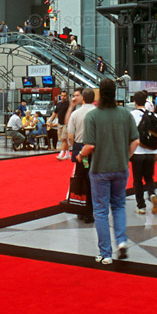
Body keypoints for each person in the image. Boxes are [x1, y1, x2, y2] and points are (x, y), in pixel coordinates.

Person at [78, 79, 139, 264]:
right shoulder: (125, 114)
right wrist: (126, 157)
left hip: (100, 169)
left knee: (101, 210)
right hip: (121, 168)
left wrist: (80, 155)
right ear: (115, 93)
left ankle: (105, 253)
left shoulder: (93, 116)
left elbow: (90, 145)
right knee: (119, 205)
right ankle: (121, 241)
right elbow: (135, 141)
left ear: (99, 94)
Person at [67, 88, 96, 221]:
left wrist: (75, 148)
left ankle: (81, 208)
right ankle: (92, 209)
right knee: (94, 178)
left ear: (83, 98)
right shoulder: (97, 112)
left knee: (80, 177)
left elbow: (70, 134)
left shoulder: (76, 113)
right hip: (94, 148)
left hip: (80, 147)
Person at [130, 90, 157, 215]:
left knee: (137, 179)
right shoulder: (154, 116)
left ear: (135, 101)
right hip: (151, 152)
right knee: (149, 177)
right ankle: (152, 194)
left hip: (137, 152)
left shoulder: (132, 115)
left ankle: (141, 205)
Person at [53, 91, 72, 160]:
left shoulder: (69, 104)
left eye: (64, 95)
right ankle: (67, 153)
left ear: (67, 96)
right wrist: (50, 121)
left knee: (64, 138)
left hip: (66, 124)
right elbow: (54, 113)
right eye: (62, 95)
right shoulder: (58, 104)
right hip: (60, 123)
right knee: (62, 139)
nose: (63, 97)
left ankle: (61, 153)